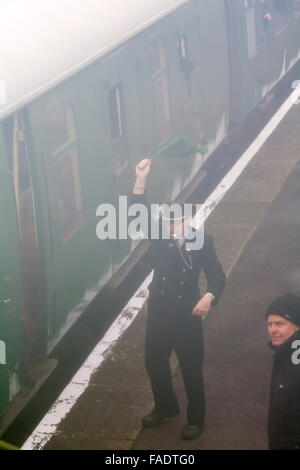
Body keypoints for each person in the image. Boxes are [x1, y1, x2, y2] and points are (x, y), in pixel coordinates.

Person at [131, 158, 226, 440]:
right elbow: (136, 212)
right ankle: (166, 408)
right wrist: (140, 179)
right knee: (154, 364)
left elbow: (217, 275)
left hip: (187, 315)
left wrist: (209, 296)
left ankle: (196, 419)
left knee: (191, 369)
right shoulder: (159, 237)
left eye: (177, 223)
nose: (172, 228)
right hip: (159, 314)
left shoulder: (201, 240)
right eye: (168, 223)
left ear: (188, 221)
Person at [265, 293, 300, 450]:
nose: (272, 330)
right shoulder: (286, 352)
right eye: (269, 324)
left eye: (279, 324)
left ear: (297, 325)